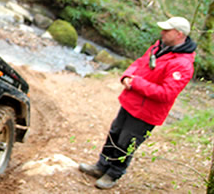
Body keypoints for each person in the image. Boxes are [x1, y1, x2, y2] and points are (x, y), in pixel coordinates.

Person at [79, 16, 197, 189]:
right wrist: (127, 75)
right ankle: (101, 166)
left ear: (179, 34)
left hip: (147, 112)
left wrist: (136, 83)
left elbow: (167, 93)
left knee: (126, 143)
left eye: (167, 30)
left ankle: (113, 174)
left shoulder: (182, 65)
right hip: (131, 101)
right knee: (115, 133)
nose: (162, 32)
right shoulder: (159, 46)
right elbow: (140, 63)